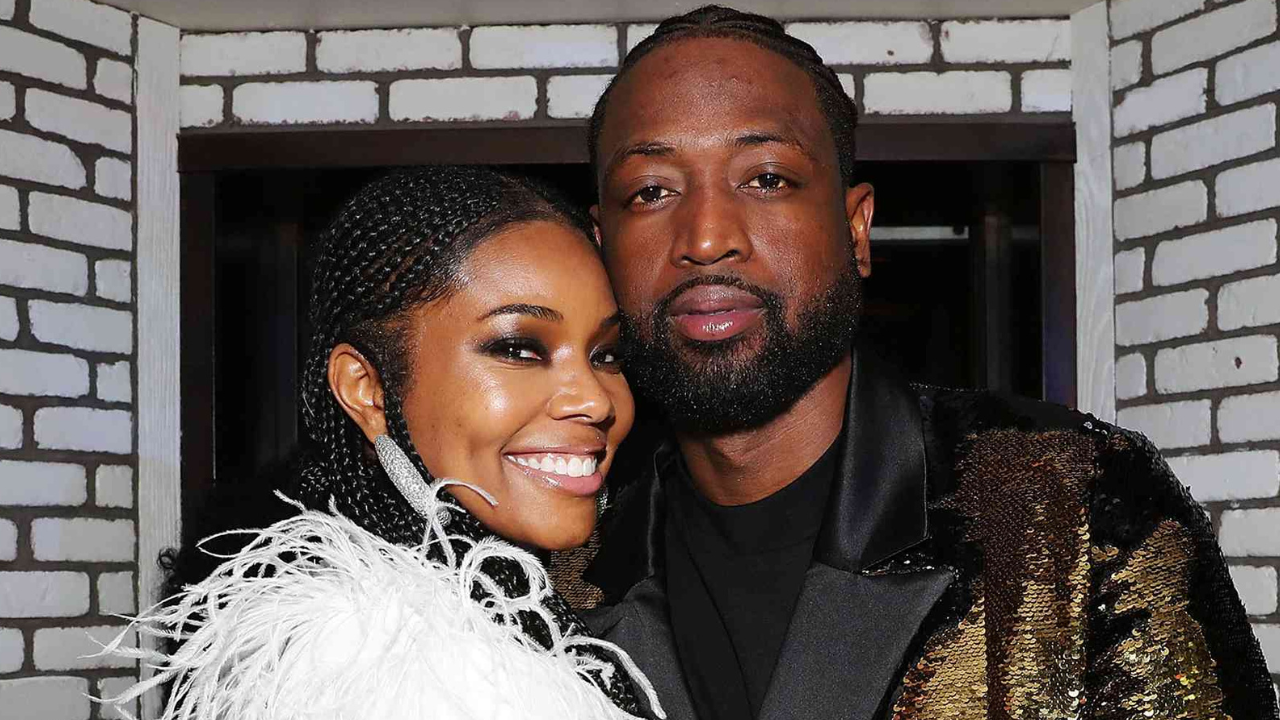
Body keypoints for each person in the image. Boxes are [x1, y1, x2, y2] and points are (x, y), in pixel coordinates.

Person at [578, 6, 1279, 720]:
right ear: (601, 247)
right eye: (651, 191)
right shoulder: (557, 568)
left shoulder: (1077, 505)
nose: (705, 237)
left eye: (765, 179)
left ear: (856, 230)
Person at [102, 167, 663, 720]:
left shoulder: (495, 614)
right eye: (518, 349)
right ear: (367, 390)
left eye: (607, 355)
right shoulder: (377, 663)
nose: (595, 400)